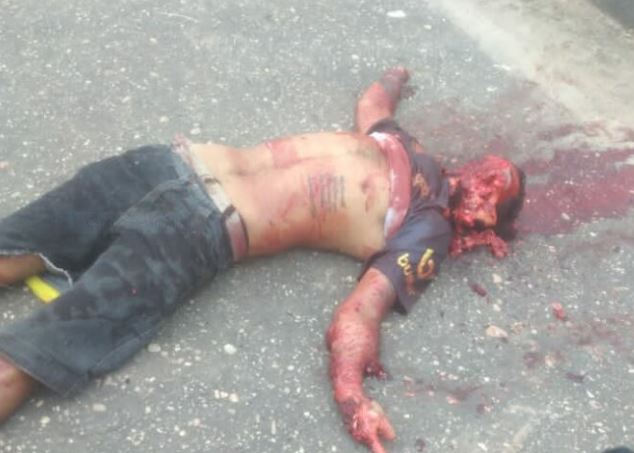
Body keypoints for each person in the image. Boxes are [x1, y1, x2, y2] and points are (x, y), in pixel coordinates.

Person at [0, 68, 525, 453]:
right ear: (474, 169)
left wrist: (352, 396)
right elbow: (374, 102)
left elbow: (360, 313)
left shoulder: (429, 228)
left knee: (25, 363)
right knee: (10, 254)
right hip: (167, 162)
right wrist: (397, 76)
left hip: (195, 226)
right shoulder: (404, 143)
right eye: (492, 176)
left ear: (486, 222)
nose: (488, 188)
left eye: (497, 193)